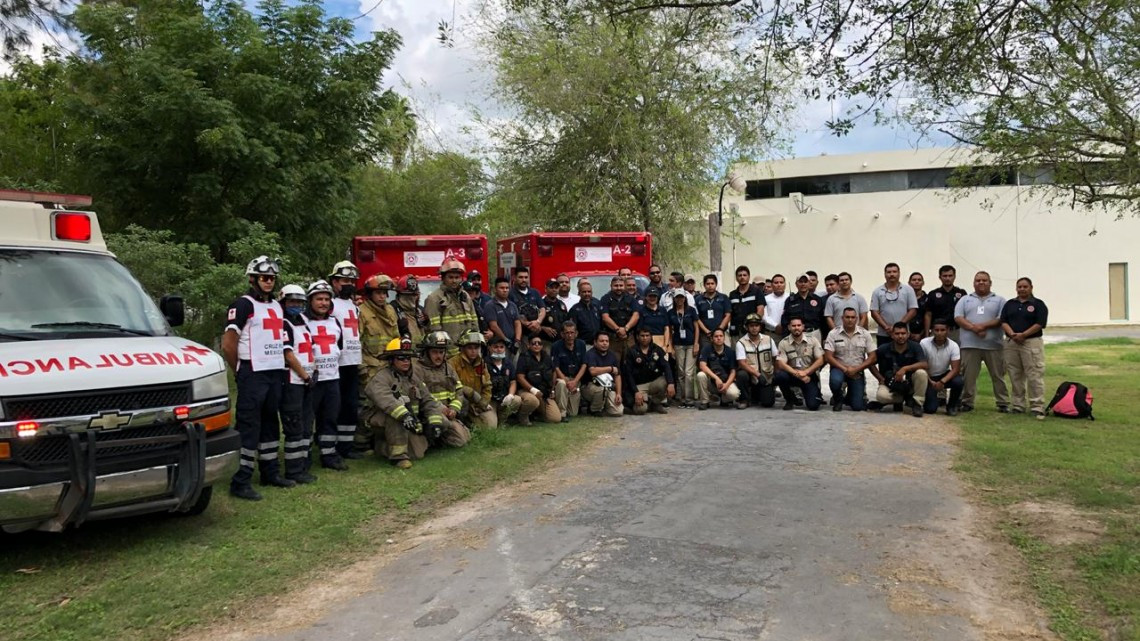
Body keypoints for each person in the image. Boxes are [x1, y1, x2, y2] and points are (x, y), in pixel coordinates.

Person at [221, 257, 290, 501]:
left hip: (274, 371)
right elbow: (228, 343)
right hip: (252, 372)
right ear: (252, 279)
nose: (268, 282)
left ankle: (270, 472)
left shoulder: (277, 306)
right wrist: (239, 371)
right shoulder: (243, 305)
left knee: (271, 424)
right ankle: (240, 480)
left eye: (272, 278)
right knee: (249, 426)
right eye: (264, 277)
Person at [364, 337, 446, 469]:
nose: (406, 361)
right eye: (401, 358)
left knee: (441, 424)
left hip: (410, 419)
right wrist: (404, 415)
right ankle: (397, 456)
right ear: (391, 360)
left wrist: (434, 422)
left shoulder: (413, 378)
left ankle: (429, 442)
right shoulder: (382, 377)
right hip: (381, 419)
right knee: (395, 418)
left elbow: (428, 400)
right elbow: (384, 399)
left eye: (408, 358)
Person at [303, 280, 347, 471]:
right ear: (310, 300)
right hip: (310, 380)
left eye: (327, 299)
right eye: (319, 299)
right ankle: (302, 457)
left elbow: (339, 346)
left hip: (332, 377)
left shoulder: (334, 322)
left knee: (330, 417)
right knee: (306, 419)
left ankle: (328, 454)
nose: (323, 303)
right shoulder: (301, 322)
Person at [356, 272, 400, 456]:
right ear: (369, 294)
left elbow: (396, 338)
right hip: (370, 367)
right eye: (378, 293)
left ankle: (380, 441)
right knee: (367, 405)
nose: (383, 296)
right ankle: (361, 444)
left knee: (389, 403)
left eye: (385, 293)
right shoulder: (361, 312)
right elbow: (355, 343)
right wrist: (362, 369)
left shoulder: (390, 310)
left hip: (388, 367)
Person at [278, 285, 317, 484]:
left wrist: (314, 372)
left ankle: (304, 464)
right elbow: (288, 355)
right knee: (294, 426)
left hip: (306, 380)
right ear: (283, 302)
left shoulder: (303, 321)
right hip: (292, 381)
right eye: (292, 302)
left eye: (300, 302)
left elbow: (310, 347)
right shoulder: (283, 323)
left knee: (306, 425)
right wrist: (305, 376)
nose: (296, 306)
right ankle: (294, 471)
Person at [954, 271, 1010, 413]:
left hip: (994, 346)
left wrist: (983, 326)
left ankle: (1002, 402)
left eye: (984, 280)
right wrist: (975, 328)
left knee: (998, 375)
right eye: (978, 280)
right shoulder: (965, 300)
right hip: (970, 346)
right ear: (974, 283)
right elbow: (958, 318)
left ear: (990, 283)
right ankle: (967, 402)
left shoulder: (1000, 300)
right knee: (969, 376)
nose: (981, 283)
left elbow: (1001, 319)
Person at [328, 261, 363, 460]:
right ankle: (328, 445)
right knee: (334, 406)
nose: (348, 284)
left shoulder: (353, 305)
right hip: (335, 364)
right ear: (334, 282)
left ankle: (346, 446)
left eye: (351, 280)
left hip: (353, 361)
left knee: (350, 405)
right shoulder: (328, 303)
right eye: (343, 280)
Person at [1001, 277, 1049, 419]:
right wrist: (1012, 334)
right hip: (1011, 342)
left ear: (1031, 287)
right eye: (1019, 287)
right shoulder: (1010, 304)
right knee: (1015, 375)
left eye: (1025, 286)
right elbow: (1003, 321)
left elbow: (1040, 323)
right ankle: (1018, 405)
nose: (1022, 289)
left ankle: (1037, 406)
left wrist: (1024, 335)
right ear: (1016, 288)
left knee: (1034, 374)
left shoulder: (1038, 304)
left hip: (1031, 342)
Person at [417, 331, 472, 448]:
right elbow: (423, 394)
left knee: (462, 441)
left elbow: (459, 390)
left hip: (448, 412)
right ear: (426, 352)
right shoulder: (418, 369)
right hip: (430, 412)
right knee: (443, 423)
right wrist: (440, 407)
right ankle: (430, 439)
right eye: (435, 352)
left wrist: (454, 408)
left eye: (441, 352)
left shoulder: (448, 367)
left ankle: (440, 438)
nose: (439, 356)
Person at [868, 322, 929, 417]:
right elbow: (870, 363)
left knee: (921, 373)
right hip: (891, 384)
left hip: (910, 383)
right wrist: (880, 378)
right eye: (897, 334)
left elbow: (924, 364)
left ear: (908, 334)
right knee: (881, 396)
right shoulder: (884, 348)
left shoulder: (915, 346)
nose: (900, 336)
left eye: (903, 333)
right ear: (892, 335)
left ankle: (917, 403)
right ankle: (904, 399)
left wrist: (905, 368)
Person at [424, 259, 479, 359]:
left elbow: (474, 323)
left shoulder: (465, 296)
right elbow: (434, 330)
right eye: (450, 277)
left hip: (467, 354)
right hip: (448, 356)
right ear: (443, 278)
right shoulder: (434, 298)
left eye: (457, 277)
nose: (454, 280)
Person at [824, 307, 875, 411]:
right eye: (847, 317)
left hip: (857, 371)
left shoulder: (864, 334)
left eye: (852, 317)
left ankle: (848, 397)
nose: (850, 320)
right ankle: (838, 399)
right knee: (835, 381)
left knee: (857, 407)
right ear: (842, 318)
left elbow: (873, 357)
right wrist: (845, 369)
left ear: (856, 318)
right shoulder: (833, 333)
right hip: (839, 369)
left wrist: (857, 369)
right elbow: (828, 356)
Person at [449, 330, 499, 429]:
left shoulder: (481, 363)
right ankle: (462, 424)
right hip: (459, 403)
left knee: (491, 426)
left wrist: (483, 403)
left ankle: (471, 423)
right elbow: (453, 386)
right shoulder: (452, 363)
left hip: (477, 404)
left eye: (476, 348)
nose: (473, 351)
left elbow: (487, 386)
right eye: (470, 348)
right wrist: (472, 393)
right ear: (463, 348)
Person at [775, 318, 825, 411]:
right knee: (780, 376)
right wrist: (797, 374)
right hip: (793, 375)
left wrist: (806, 372)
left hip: (809, 376)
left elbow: (820, 360)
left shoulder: (813, 340)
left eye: (798, 325)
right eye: (793, 326)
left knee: (813, 406)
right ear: (789, 327)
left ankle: (809, 394)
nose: (796, 328)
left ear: (803, 327)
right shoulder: (784, 342)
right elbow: (781, 363)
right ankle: (790, 400)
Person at [623, 326, 675, 414]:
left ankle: (655, 403)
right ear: (637, 337)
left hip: (653, 384)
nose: (645, 338)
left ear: (651, 337)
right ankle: (643, 404)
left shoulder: (657, 349)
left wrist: (671, 383)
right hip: (638, 386)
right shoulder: (631, 351)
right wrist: (636, 392)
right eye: (642, 336)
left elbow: (666, 366)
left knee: (665, 381)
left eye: (647, 335)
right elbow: (628, 374)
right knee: (641, 410)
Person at [920, 318, 964, 415]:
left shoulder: (953, 346)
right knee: (930, 409)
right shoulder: (923, 343)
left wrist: (942, 381)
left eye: (942, 330)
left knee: (959, 381)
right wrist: (931, 382)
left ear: (948, 331)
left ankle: (952, 406)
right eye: (937, 330)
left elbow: (955, 369)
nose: (939, 333)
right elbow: (921, 366)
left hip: (943, 375)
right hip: (928, 377)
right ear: (932, 330)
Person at [735, 313, 779, 409]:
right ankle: (744, 400)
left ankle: (759, 395)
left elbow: (776, 358)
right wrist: (758, 375)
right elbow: (741, 363)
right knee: (741, 374)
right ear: (746, 327)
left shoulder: (769, 339)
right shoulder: (741, 343)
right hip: (752, 377)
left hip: (766, 377)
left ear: (760, 327)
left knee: (768, 403)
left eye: (756, 325)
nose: (754, 328)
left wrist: (775, 373)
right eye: (751, 326)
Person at [515, 334, 562, 425]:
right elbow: (520, 377)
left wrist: (552, 389)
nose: (537, 345)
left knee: (555, 418)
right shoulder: (523, 357)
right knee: (532, 400)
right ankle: (522, 416)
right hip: (527, 391)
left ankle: (537, 414)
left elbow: (554, 372)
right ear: (528, 345)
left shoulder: (546, 357)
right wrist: (533, 390)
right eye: (534, 343)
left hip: (544, 393)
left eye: (539, 343)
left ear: (542, 345)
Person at [870, 263, 918, 346]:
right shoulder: (877, 291)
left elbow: (913, 310)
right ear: (884, 274)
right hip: (884, 334)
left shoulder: (908, 290)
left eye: (894, 272)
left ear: (899, 273)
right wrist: (886, 328)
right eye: (889, 272)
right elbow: (874, 312)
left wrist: (898, 327)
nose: (892, 274)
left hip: (903, 334)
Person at [696, 328, 741, 409]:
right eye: (716, 336)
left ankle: (724, 399)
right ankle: (705, 401)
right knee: (700, 375)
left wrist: (726, 385)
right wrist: (716, 378)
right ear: (712, 339)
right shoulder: (706, 349)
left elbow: (733, 372)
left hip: (725, 382)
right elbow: (702, 365)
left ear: (724, 338)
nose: (719, 338)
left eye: (721, 336)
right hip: (711, 381)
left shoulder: (730, 352)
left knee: (735, 394)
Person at [552, 321, 587, 422]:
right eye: (567, 333)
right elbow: (556, 367)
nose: (570, 335)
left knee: (573, 413)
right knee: (562, 384)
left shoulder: (581, 344)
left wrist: (575, 381)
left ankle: (561, 406)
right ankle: (562, 414)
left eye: (572, 332)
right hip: (562, 378)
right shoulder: (556, 346)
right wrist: (566, 381)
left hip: (575, 379)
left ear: (576, 333)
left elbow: (584, 365)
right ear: (562, 334)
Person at [669, 292, 699, 407]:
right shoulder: (671, 313)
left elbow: (696, 328)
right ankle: (683, 399)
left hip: (691, 344)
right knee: (681, 372)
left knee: (689, 372)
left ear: (685, 298)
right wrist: (671, 347)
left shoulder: (691, 310)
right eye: (677, 297)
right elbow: (670, 330)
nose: (679, 300)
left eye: (681, 297)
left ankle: (690, 399)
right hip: (678, 345)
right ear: (675, 299)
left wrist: (696, 343)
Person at [582, 333, 624, 416]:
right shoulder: (590, 354)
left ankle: (604, 405)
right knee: (601, 390)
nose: (604, 343)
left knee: (618, 412)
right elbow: (593, 371)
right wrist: (610, 368)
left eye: (607, 341)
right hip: (590, 386)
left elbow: (617, 375)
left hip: (608, 386)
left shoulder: (613, 355)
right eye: (601, 341)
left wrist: (618, 393)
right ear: (595, 342)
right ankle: (594, 409)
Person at [600, 275, 639, 362]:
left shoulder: (631, 299)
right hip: (613, 338)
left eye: (621, 285)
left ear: (624, 286)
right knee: (614, 363)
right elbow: (605, 317)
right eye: (616, 286)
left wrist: (626, 329)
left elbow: (636, 315)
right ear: (611, 286)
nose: (618, 288)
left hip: (629, 337)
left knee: (631, 363)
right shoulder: (605, 299)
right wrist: (618, 329)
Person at [924, 265, 967, 341]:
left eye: (950, 276)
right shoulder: (933, 294)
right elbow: (928, 315)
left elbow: (966, 313)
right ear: (940, 277)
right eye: (945, 276)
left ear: (954, 277)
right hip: (937, 331)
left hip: (956, 331)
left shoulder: (961, 293)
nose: (948, 278)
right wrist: (927, 334)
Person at [486, 336, 522, 422]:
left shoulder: (508, 363)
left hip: (504, 398)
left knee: (517, 400)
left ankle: (502, 420)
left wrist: (510, 395)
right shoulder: (484, 363)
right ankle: (494, 419)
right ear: (489, 348)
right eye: (496, 347)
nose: (499, 349)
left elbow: (513, 382)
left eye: (501, 347)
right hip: (490, 400)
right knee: (491, 425)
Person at [781, 275, 826, 344]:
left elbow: (823, 320)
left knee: (817, 354)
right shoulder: (790, 300)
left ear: (809, 283)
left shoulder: (817, 299)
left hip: (814, 333)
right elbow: (785, 320)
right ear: (796, 284)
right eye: (800, 282)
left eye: (805, 282)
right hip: (796, 334)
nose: (803, 284)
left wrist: (824, 337)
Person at [484, 276, 522, 357]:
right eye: (502, 288)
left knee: (514, 367)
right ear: (495, 289)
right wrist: (506, 340)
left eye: (507, 288)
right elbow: (493, 326)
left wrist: (517, 340)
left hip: (514, 344)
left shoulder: (512, 305)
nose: (505, 290)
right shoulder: (490, 305)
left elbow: (517, 323)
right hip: (498, 345)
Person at [728, 266, 764, 347]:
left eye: (744, 275)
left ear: (749, 277)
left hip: (752, 331)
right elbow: (729, 313)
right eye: (739, 275)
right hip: (736, 331)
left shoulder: (757, 291)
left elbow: (761, 309)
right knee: (737, 354)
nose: (742, 277)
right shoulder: (732, 294)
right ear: (736, 278)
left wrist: (754, 325)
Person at [510, 266, 547, 346]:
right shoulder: (510, 294)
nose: (524, 280)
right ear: (515, 278)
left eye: (526, 277)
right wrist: (528, 324)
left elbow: (542, 309)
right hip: (520, 335)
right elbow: (512, 313)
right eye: (521, 277)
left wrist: (538, 322)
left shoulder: (535, 292)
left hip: (537, 333)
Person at [695, 273, 731, 350]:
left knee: (723, 353)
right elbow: (696, 318)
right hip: (705, 335)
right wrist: (706, 331)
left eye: (712, 283)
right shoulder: (698, 299)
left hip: (721, 334)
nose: (710, 286)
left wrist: (719, 330)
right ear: (704, 285)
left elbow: (728, 315)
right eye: (708, 284)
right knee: (706, 355)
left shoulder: (723, 297)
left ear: (716, 284)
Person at [393, 274, 428, 347]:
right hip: (404, 355)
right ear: (400, 295)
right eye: (408, 296)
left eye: (414, 295)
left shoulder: (420, 311)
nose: (412, 298)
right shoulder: (393, 310)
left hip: (420, 355)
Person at [569, 281, 603, 345]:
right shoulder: (574, 310)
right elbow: (572, 330)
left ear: (592, 293)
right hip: (583, 344)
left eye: (589, 291)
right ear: (579, 293)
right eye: (584, 292)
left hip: (598, 344)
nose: (587, 294)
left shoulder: (596, 307)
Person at [637, 286, 671, 351]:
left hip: (662, 340)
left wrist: (665, 345)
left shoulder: (663, 310)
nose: (652, 298)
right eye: (650, 296)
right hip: (646, 341)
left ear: (657, 298)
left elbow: (666, 328)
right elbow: (640, 330)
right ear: (646, 297)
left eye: (654, 296)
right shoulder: (642, 311)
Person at [540, 278, 569, 351]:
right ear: (546, 289)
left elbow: (566, 322)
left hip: (560, 342)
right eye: (551, 287)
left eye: (556, 288)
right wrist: (543, 328)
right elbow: (534, 323)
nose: (554, 290)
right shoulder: (540, 304)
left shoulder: (562, 305)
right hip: (545, 342)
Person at [466, 270, 493, 337]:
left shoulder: (488, 298)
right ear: (468, 282)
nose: (476, 282)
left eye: (479, 280)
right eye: (473, 280)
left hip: (486, 337)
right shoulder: (464, 298)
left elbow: (493, 318)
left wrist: (492, 332)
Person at [763, 274, 789, 341]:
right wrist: (776, 326)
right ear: (772, 285)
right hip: (771, 334)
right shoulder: (766, 299)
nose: (779, 285)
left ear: (785, 284)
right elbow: (764, 317)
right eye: (776, 283)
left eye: (781, 282)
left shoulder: (790, 298)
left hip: (787, 333)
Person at [908, 272, 927, 341]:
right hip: (906, 335)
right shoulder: (905, 298)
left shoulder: (928, 299)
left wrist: (922, 334)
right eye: (914, 280)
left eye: (919, 280)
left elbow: (929, 318)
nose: (917, 282)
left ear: (923, 283)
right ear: (909, 283)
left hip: (923, 335)